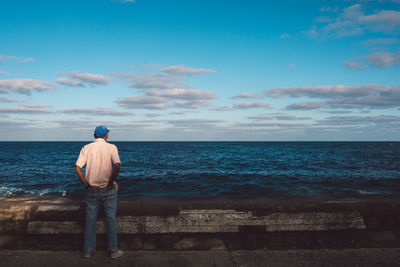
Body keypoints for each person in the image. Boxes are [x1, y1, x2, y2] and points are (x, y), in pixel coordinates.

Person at [74, 126, 123, 259]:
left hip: (91, 190)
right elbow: (118, 166)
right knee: (111, 219)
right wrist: (110, 181)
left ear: (94, 135)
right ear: (106, 136)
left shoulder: (86, 148)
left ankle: (88, 251)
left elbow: (77, 168)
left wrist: (86, 184)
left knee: (90, 219)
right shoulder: (111, 147)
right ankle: (113, 251)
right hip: (107, 190)